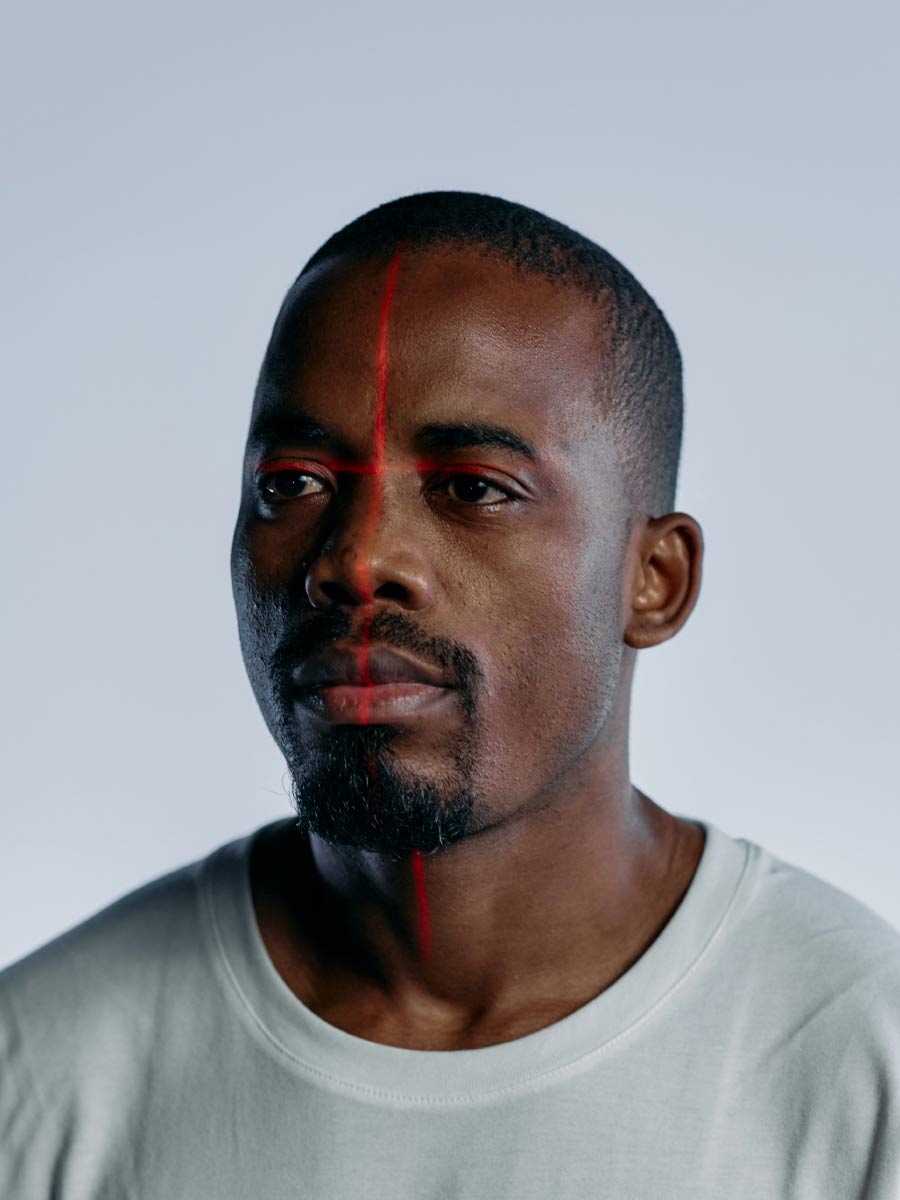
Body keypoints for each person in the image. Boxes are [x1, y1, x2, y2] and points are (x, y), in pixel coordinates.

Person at [2, 191, 898, 1198]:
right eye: (293, 484)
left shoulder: (859, 1069)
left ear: (654, 580)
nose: (357, 560)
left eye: (473, 487)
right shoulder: (37, 1072)